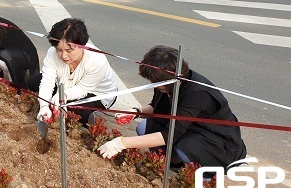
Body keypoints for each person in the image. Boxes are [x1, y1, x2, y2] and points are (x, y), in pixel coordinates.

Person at [97, 45, 247, 169]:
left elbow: (168, 136)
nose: (153, 84)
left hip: (217, 140)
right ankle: (173, 165)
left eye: (155, 82)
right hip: (188, 128)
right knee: (144, 127)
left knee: (185, 147)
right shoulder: (165, 82)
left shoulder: (197, 93)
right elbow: (156, 108)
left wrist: (122, 143)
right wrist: (136, 112)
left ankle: (205, 176)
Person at [28, 18, 117, 125]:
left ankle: (94, 115)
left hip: (95, 92)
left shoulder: (97, 60)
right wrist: (44, 106)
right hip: (65, 84)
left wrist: (63, 96)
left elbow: (83, 88)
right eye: (59, 50)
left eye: (69, 51)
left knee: (74, 110)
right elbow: (47, 82)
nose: (64, 56)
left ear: (82, 45)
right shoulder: (52, 53)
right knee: (34, 82)